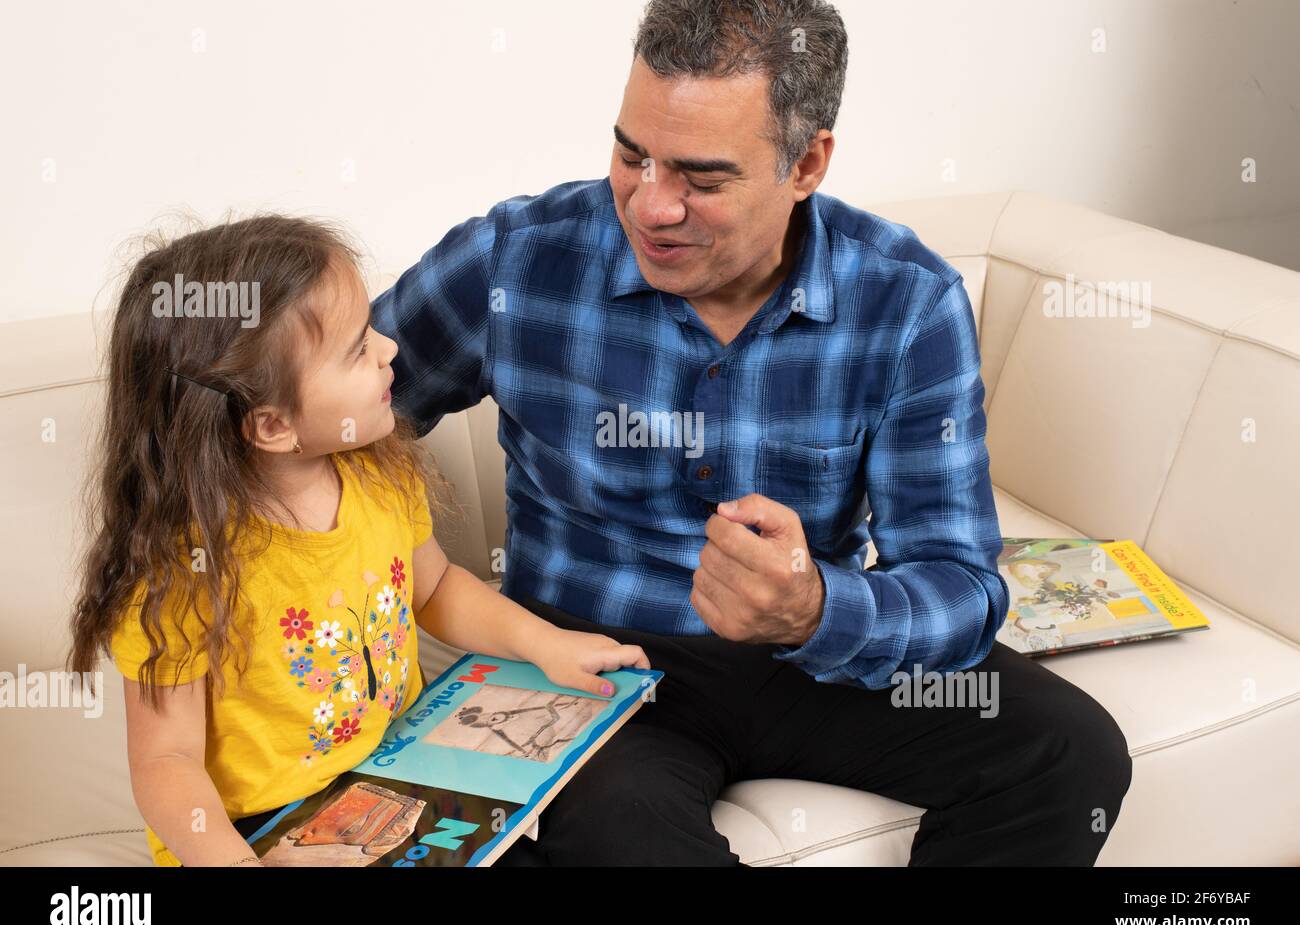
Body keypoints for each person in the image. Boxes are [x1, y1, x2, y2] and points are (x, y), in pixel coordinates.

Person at [370, 0, 1133, 865]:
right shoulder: (516, 258)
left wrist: (814, 606)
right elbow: (334, 413)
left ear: (805, 162)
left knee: (1071, 753)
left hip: (813, 654)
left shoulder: (907, 301)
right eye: (631, 154)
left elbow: (962, 584)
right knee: (632, 841)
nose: (650, 205)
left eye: (700, 177)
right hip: (589, 665)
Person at [66, 214, 648, 867]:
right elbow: (164, 762)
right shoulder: (182, 569)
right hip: (259, 834)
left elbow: (438, 588)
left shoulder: (381, 472)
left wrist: (547, 645)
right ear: (272, 425)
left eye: (371, 325)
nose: (389, 349)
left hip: (399, 781)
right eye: (355, 348)